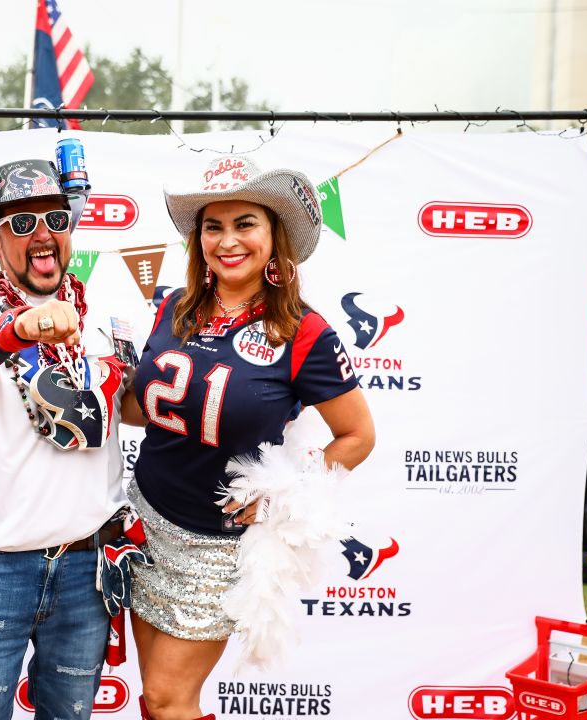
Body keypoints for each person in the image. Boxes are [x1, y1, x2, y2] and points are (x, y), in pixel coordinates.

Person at [120, 155, 376, 720]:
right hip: (143, 521)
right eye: (214, 225)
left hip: (217, 545)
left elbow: (357, 435)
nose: (227, 240)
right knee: (156, 698)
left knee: (168, 698)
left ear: (273, 235)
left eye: (245, 224)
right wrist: (102, 381)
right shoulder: (175, 306)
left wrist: (285, 492)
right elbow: (144, 413)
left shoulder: (304, 330)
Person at [0, 154, 134, 719]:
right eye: (21, 223)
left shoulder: (108, 315)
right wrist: (23, 327)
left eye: (55, 219)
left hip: (85, 572)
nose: (42, 235)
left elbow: (140, 408)